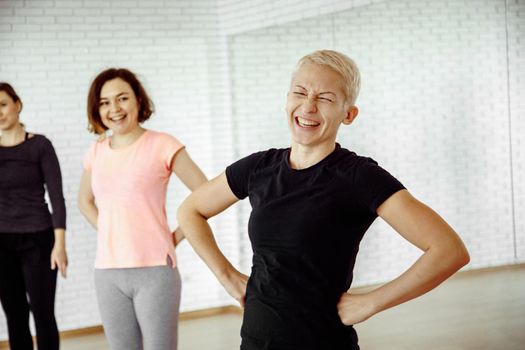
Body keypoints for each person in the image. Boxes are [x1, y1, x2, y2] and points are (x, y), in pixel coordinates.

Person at [177, 50, 470, 349]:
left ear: (348, 114)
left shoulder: (359, 176)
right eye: (300, 92)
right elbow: (190, 210)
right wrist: (226, 276)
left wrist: (371, 303)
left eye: (325, 98)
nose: (308, 106)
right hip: (255, 340)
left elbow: (449, 250)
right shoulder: (258, 168)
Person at [77, 68, 207, 350]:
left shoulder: (163, 144)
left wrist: (176, 236)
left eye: (122, 98)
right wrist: (110, 229)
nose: (114, 108)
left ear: (138, 99)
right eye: (105, 102)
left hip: (155, 271)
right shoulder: (96, 151)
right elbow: (84, 201)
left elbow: (206, 194)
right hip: (107, 273)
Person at [0, 82, 68, 350]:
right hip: (1, 242)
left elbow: (57, 196)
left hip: (39, 239)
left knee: (42, 313)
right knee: (15, 316)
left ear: (17, 105)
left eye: (3, 105)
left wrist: (59, 244)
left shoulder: (40, 145)